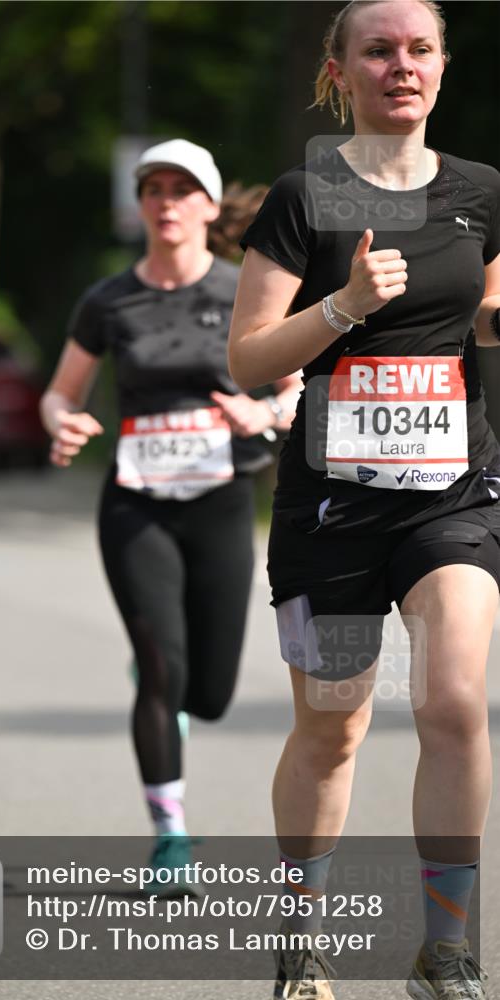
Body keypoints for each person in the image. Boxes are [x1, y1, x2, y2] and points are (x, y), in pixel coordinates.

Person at [230, 1, 500, 997]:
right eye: (377, 50)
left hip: (451, 492)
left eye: (419, 49)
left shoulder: (481, 194)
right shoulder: (306, 196)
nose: (402, 66)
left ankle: (446, 949)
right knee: (333, 727)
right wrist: (342, 307)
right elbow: (250, 355)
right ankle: (299, 940)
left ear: (441, 66)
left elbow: (485, 313)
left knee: (453, 700)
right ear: (339, 71)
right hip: (328, 505)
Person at [40, 139, 301, 892]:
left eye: (182, 190)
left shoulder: (243, 291)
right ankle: (170, 838)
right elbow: (62, 391)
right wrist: (62, 420)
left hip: (219, 498)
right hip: (135, 503)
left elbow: (296, 385)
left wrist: (264, 413)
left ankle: (171, 673)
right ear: (141, 205)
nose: (166, 202)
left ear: (210, 207)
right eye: (153, 189)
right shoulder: (108, 300)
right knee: (161, 668)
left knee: (208, 692)